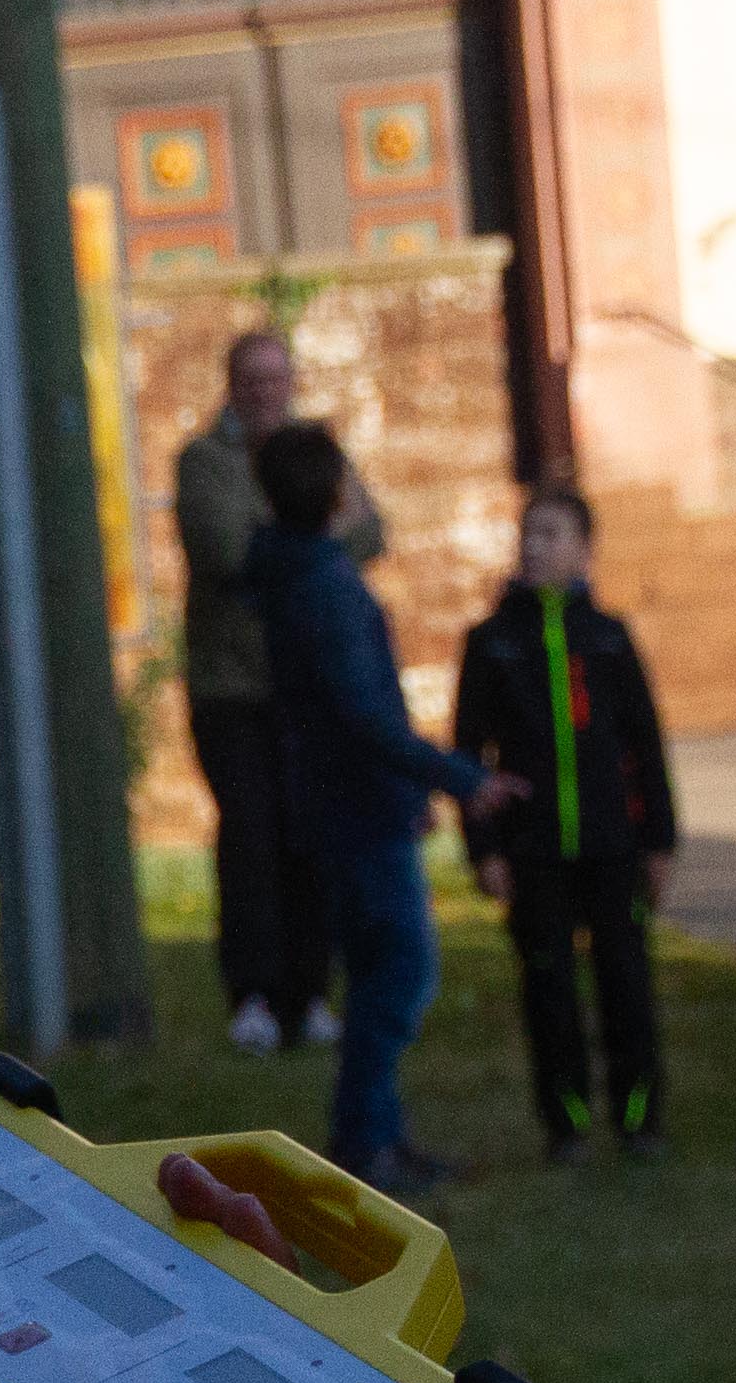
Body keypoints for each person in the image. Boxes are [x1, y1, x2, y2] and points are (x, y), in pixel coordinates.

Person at [250, 419, 520, 1190]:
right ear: (338, 494)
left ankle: (379, 1136)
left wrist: (414, 790)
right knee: (399, 971)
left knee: (378, 969)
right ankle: (366, 1139)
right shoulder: (326, 589)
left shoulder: (292, 575)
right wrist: (459, 779)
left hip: (346, 802)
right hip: (357, 810)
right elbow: (366, 718)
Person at [449, 483, 676, 1157]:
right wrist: (485, 848)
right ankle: (566, 1123)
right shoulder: (492, 643)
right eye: (529, 533)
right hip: (534, 848)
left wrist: (659, 841)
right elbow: (468, 755)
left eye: (552, 534)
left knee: (625, 981)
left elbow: (645, 745)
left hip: (612, 845)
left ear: (584, 549)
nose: (536, 546)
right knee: (548, 986)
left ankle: (639, 1116)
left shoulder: (608, 640)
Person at [174, 329, 378, 1053]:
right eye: (252, 378)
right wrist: (315, 541)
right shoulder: (204, 462)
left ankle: (310, 992)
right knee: (252, 837)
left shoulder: (317, 451)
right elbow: (228, 553)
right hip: (232, 688)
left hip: (304, 684)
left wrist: (291, 545)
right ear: (231, 385)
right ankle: (254, 994)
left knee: (309, 835)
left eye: (276, 376)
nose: (266, 390)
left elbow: (373, 530)